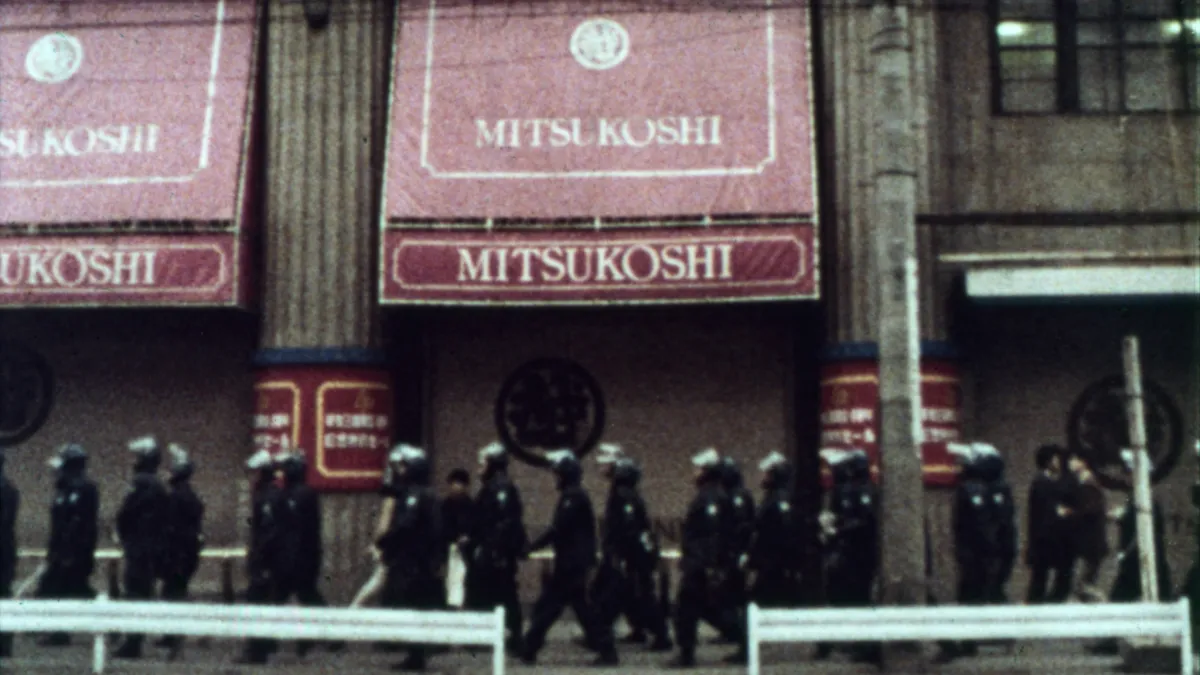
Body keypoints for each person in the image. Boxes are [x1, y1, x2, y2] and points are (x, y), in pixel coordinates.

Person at [520, 449, 617, 667]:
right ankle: (530, 648)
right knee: (569, 607)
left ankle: (530, 648)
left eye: (557, 473)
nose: (555, 477)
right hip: (573, 563)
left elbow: (557, 529)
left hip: (572, 565)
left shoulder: (573, 497)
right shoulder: (574, 495)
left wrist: (531, 547)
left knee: (558, 607)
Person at [937, 442, 1017, 663]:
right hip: (981, 553)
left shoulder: (977, 489)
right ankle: (975, 639)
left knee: (974, 595)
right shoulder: (993, 487)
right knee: (977, 594)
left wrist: (988, 552)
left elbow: (986, 525)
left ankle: (972, 641)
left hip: (979, 554)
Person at [1090, 450, 1173, 655]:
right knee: (1124, 600)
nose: (1125, 475)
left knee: (1126, 599)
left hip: (1141, 559)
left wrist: (1125, 553)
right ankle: (1111, 641)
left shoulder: (1145, 500)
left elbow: (1143, 531)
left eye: (1128, 471)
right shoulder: (1138, 498)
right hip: (1140, 559)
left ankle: (1114, 641)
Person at [591, 444, 672, 652]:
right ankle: (645, 632)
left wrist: (621, 557)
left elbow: (628, 529)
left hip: (628, 556)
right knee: (633, 596)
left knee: (630, 597)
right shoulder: (625, 492)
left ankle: (603, 640)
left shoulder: (623, 494)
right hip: (629, 556)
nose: (601, 468)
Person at [669, 448, 745, 668]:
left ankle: (687, 653)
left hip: (701, 565)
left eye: (698, 469)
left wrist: (708, 565)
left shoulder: (710, 497)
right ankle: (743, 639)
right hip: (700, 564)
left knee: (688, 609)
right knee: (707, 609)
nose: (694, 473)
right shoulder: (711, 495)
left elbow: (711, 534)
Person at [377, 444, 443, 672]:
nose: (399, 471)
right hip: (421, 561)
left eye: (403, 467)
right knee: (417, 606)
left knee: (410, 604)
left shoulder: (415, 495)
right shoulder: (425, 493)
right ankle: (415, 655)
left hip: (413, 561)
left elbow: (406, 526)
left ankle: (416, 652)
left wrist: (385, 541)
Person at [814, 448, 878, 663]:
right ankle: (842, 642)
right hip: (847, 553)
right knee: (844, 596)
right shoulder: (846, 490)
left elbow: (865, 521)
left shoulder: (866, 490)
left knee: (859, 598)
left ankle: (868, 647)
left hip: (861, 554)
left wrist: (838, 529)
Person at [274, 451, 340, 657]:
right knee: (307, 597)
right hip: (300, 556)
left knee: (295, 597)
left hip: (300, 557)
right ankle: (315, 638)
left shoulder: (301, 494)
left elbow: (296, 531)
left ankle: (265, 642)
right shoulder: (294, 493)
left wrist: (288, 558)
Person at [463, 442, 527, 651]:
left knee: (501, 593)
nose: (479, 468)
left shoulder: (501, 488)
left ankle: (512, 638)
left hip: (496, 553)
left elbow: (503, 522)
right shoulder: (493, 486)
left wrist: (491, 548)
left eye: (483, 463)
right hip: (492, 551)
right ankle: (504, 636)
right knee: (496, 593)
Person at [113, 436, 171, 659]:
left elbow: (126, 514)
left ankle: (132, 643)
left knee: (135, 593)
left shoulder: (141, 483)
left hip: (139, 548)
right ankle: (134, 641)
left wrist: (124, 536)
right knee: (143, 592)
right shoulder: (158, 485)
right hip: (151, 548)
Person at [36, 443, 99, 647]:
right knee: (61, 588)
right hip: (61, 551)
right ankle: (56, 630)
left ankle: (60, 632)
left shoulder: (84, 489)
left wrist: (70, 552)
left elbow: (81, 525)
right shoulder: (64, 490)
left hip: (75, 553)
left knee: (65, 589)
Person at [235, 448, 283, 665]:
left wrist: (261, 561)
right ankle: (259, 648)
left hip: (265, 562)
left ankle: (256, 651)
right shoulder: (266, 494)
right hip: (265, 561)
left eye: (255, 471)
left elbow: (269, 533)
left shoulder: (268, 497)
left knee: (257, 604)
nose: (251, 476)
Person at [157, 443, 205, 660]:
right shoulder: (188, 495)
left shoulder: (178, 496)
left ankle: (175, 637)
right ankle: (170, 635)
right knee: (173, 591)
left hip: (179, 554)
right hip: (186, 553)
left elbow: (171, 528)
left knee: (174, 593)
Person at [745, 451, 803, 609]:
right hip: (775, 566)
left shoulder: (778, 500)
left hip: (774, 567)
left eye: (767, 473)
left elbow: (772, 533)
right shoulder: (780, 498)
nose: (763, 477)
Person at [1025, 444, 1074, 604]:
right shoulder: (1040, 483)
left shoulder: (1057, 481)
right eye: (1055, 459)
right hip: (1044, 538)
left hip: (1055, 538)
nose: (1058, 462)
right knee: (1040, 577)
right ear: (1047, 462)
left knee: (1057, 575)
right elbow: (1040, 513)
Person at [714, 456, 755, 644]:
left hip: (734, 555)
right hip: (732, 553)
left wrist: (734, 552)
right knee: (728, 595)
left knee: (729, 595)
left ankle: (737, 633)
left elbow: (739, 527)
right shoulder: (732, 494)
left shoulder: (737, 496)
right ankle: (732, 632)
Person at [1062, 451, 1108, 604]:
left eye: (1074, 459)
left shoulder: (1088, 484)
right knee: (1083, 583)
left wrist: (1070, 513)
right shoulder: (1083, 483)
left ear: (1083, 462)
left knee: (1083, 584)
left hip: (1090, 543)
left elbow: (1089, 511)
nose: (1070, 463)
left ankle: (1101, 603)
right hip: (1088, 543)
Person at [441, 468, 474, 609]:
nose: (455, 487)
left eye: (459, 483)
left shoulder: (471, 506)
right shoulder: (445, 505)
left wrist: (467, 537)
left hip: (464, 550)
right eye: (453, 483)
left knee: (460, 579)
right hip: (447, 548)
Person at [0, 448, 18, 659]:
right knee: (4, 594)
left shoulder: (6, 490)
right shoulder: (10, 489)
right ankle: (4, 643)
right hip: (5, 551)